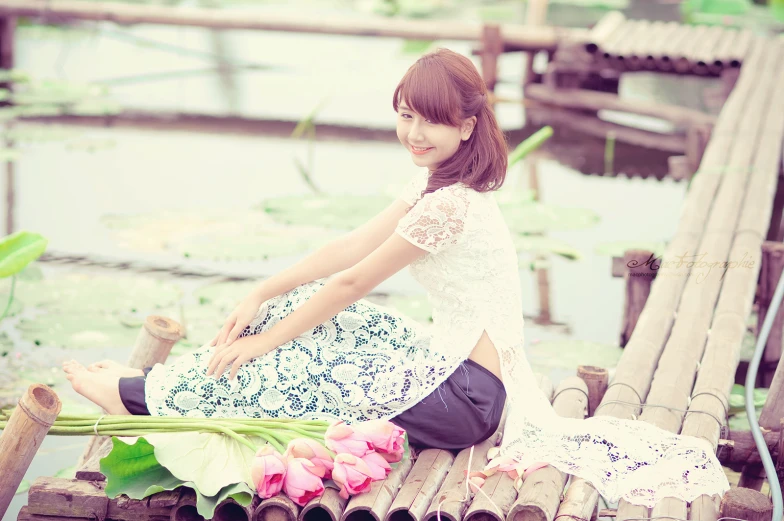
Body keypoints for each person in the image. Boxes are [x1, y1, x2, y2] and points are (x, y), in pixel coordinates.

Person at [63, 47, 729, 507]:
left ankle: (144, 393)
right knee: (290, 315)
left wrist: (266, 343)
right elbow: (352, 244)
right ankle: (171, 384)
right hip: (453, 368)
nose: (413, 131)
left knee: (303, 361)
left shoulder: (451, 207)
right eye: (405, 114)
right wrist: (260, 295)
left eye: (431, 119)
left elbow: (353, 283)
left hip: (470, 399)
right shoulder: (436, 181)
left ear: (466, 126)